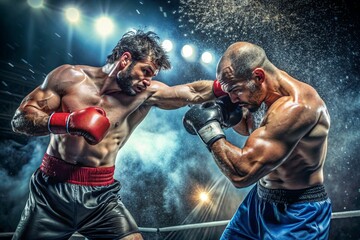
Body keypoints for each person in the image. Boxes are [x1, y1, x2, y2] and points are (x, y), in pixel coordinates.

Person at [10, 30, 224, 240]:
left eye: (153, 76)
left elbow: (192, 92)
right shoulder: (67, 77)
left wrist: (226, 86)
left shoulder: (144, 95)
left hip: (100, 197)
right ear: (125, 59)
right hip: (50, 193)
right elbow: (20, 120)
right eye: (146, 71)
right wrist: (67, 122)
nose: (148, 81)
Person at [183, 42, 332, 239]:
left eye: (235, 90)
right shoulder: (258, 93)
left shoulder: (298, 107)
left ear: (259, 76)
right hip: (259, 201)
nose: (233, 98)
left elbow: (242, 174)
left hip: (298, 213)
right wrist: (225, 113)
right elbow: (249, 128)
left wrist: (209, 130)